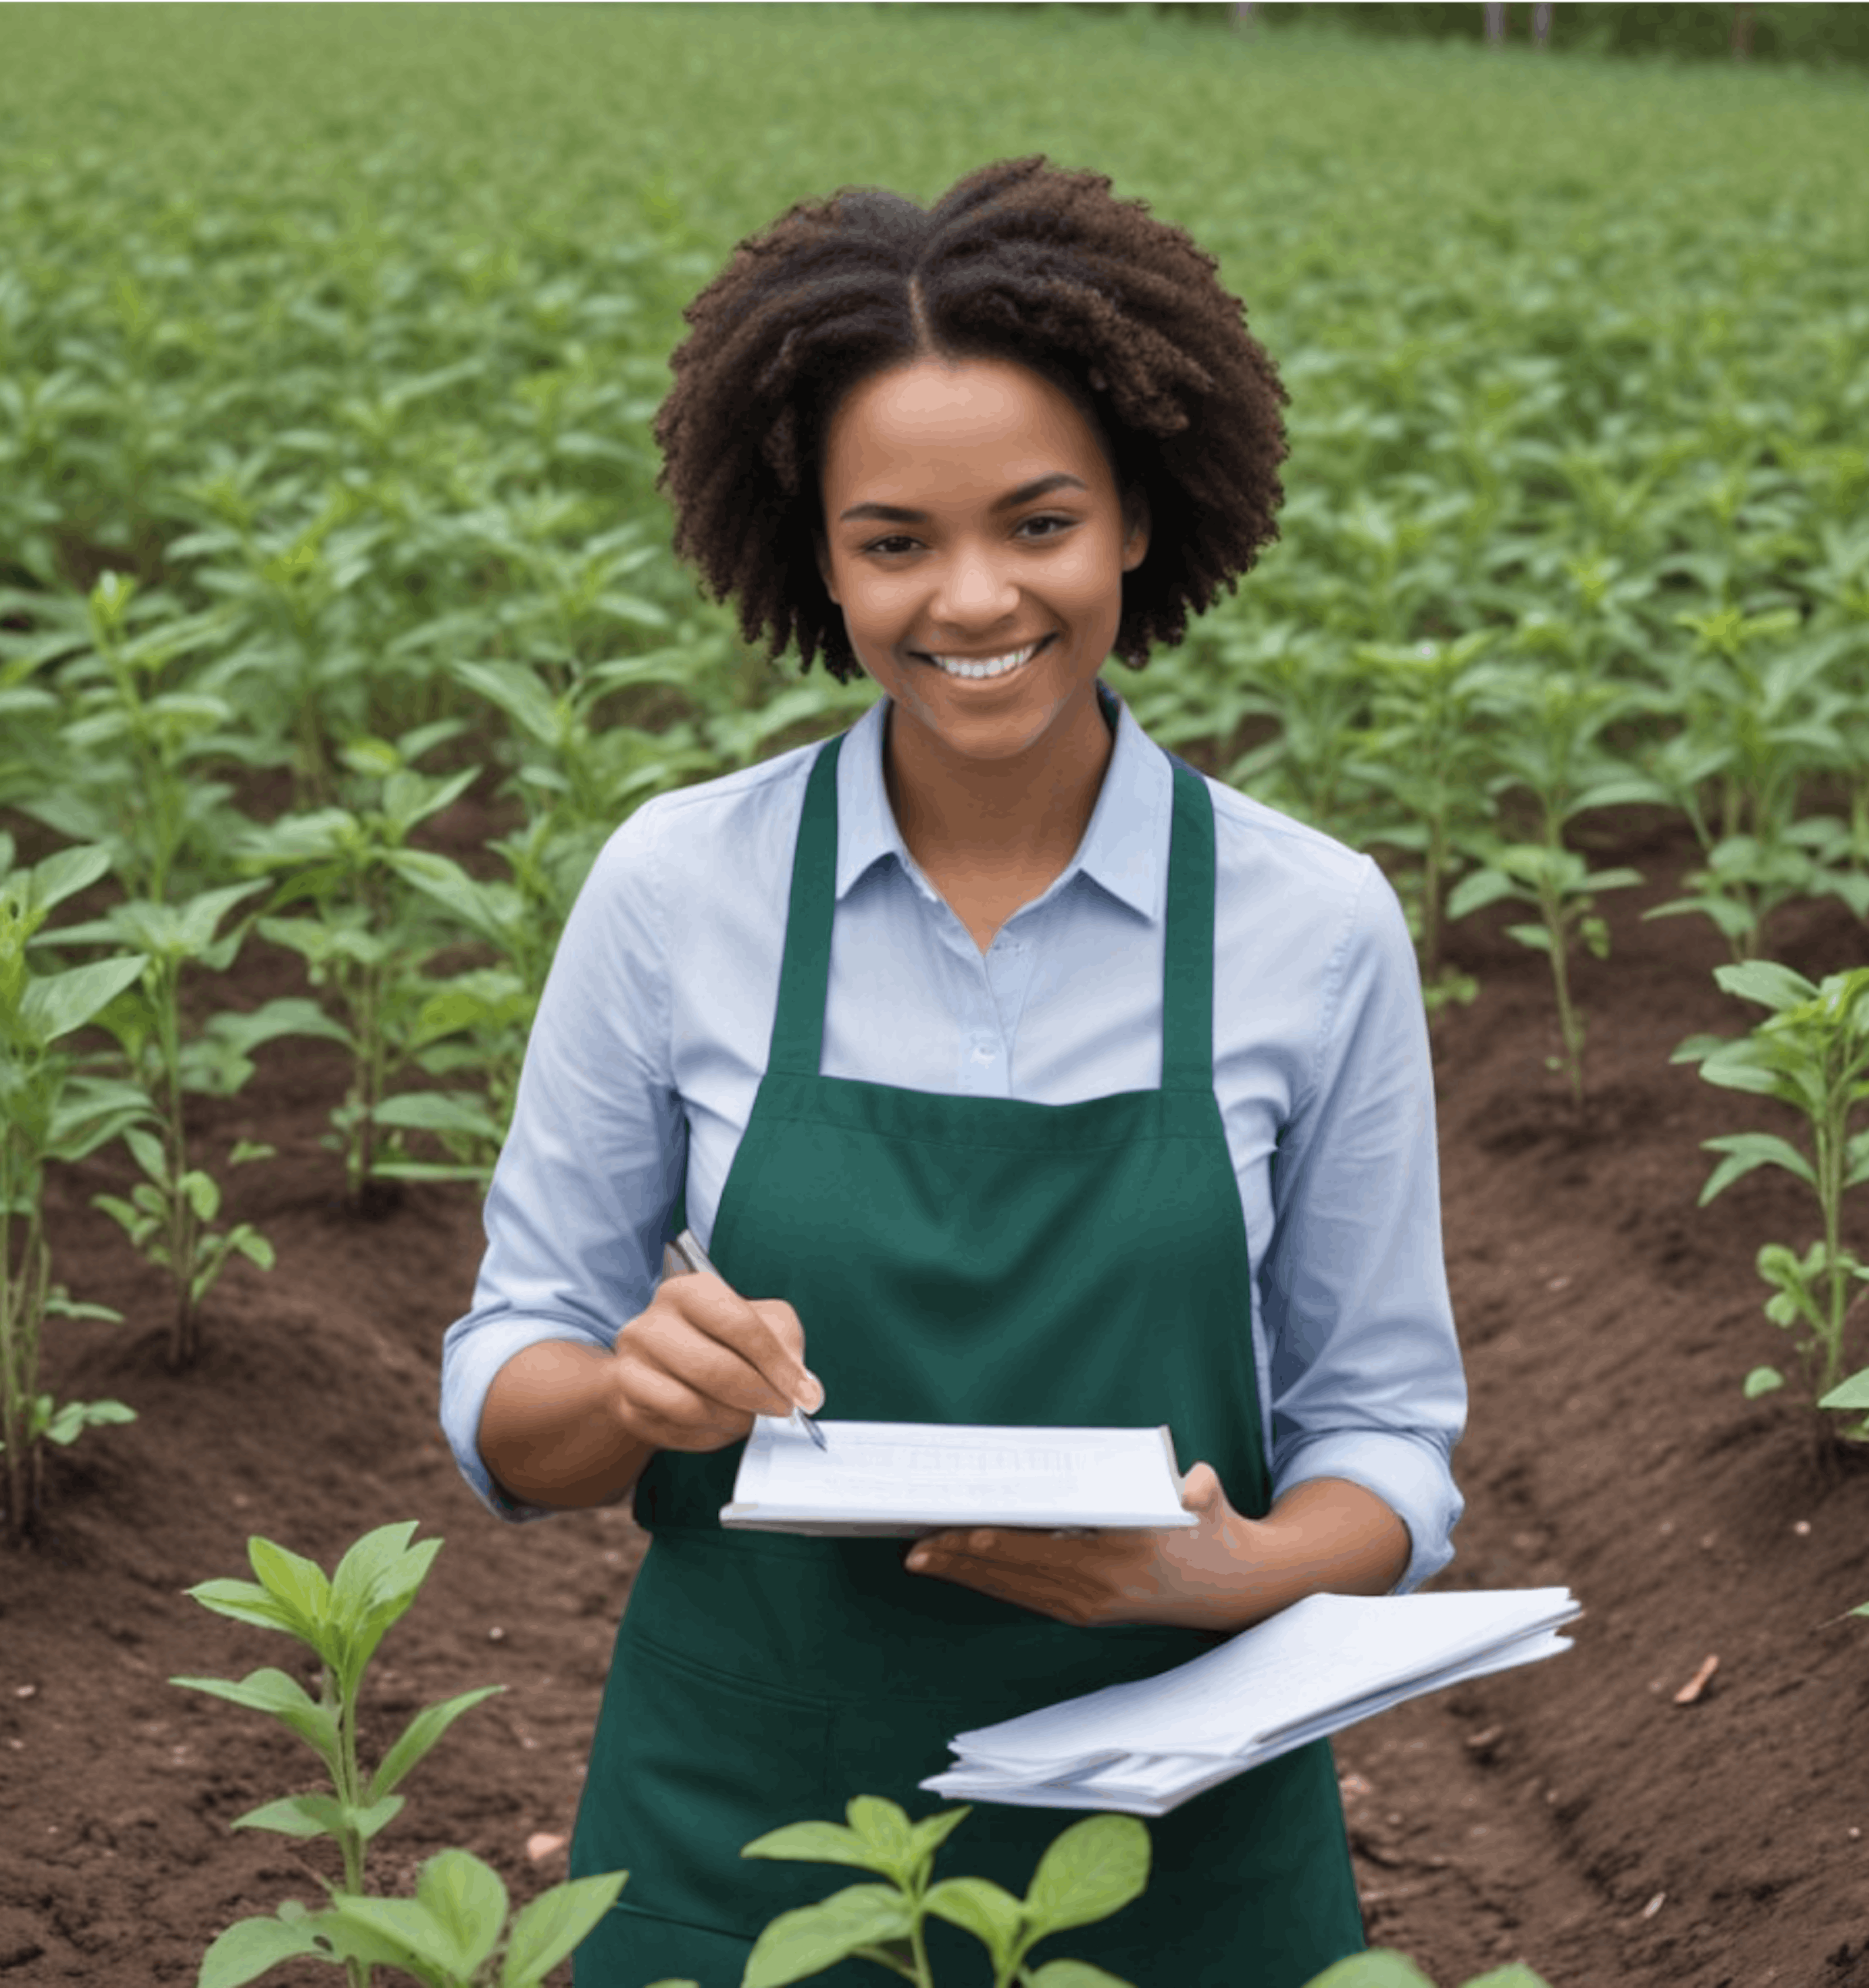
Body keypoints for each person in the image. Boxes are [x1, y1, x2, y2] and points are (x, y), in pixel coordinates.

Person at [439, 155, 1467, 1987]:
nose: (972, 597)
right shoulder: (681, 887)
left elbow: (1383, 1434)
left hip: (1182, 1850)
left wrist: (1229, 1573)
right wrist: (633, 1393)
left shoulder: (1315, 926)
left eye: (1039, 522)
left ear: (1140, 519)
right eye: (894, 540)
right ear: (815, 554)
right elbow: (511, 1393)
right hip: (745, 1840)